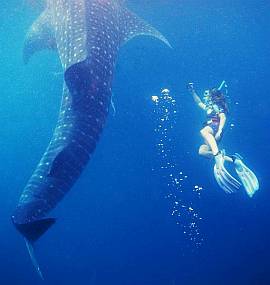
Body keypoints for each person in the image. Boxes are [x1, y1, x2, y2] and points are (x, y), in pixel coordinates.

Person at [188, 82, 259, 198]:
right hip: (211, 131)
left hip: (214, 128)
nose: (204, 96)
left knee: (203, 131)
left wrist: (220, 130)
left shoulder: (216, 106)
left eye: (206, 94)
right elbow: (199, 102)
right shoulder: (208, 107)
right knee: (201, 151)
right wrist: (192, 92)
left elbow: (223, 117)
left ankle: (217, 155)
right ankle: (233, 160)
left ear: (211, 96)